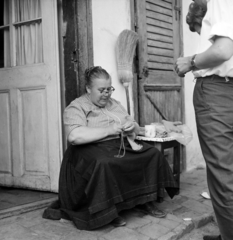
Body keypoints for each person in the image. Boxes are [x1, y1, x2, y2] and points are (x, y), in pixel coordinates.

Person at [43, 66, 179, 230]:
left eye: (109, 89)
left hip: (117, 144)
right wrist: (109, 130)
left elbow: (135, 128)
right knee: (105, 163)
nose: (106, 94)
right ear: (88, 89)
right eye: (101, 90)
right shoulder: (77, 107)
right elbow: (74, 136)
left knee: (152, 154)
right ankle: (108, 211)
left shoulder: (115, 104)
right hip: (88, 149)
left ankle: (145, 200)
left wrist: (131, 126)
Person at [175, 1, 233, 240]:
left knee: (223, 173)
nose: (202, 38)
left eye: (201, 33)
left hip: (218, 92)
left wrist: (190, 61)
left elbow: (221, 51)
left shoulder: (220, 1)